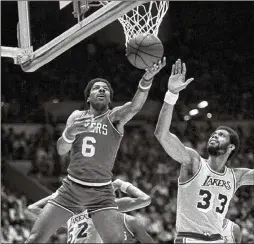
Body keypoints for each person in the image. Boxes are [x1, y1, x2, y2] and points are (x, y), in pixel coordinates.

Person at [25, 57, 166, 243]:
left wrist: (146, 80)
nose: (101, 90)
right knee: (35, 238)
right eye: (96, 88)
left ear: (109, 98)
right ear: (88, 97)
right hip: (71, 188)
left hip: (102, 193)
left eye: (105, 89)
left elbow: (135, 106)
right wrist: (69, 132)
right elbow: (61, 149)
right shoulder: (76, 117)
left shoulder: (114, 117)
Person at [154, 59, 254, 243]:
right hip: (190, 238)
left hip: (217, 239)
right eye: (214, 134)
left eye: (221, 135)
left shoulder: (236, 176)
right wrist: (171, 94)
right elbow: (161, 134)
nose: (214, 136)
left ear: (231, 147)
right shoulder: (194, 161)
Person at [26, 179, 154, 243]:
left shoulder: (70, 214)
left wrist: (60, 194)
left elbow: (32, 208)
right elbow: (145, 199)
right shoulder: (105, 208)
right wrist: (121, 184)